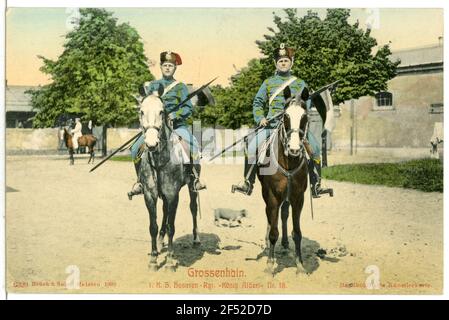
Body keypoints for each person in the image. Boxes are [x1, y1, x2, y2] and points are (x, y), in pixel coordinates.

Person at [231, 43, 329, 198]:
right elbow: (257, 102)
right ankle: (247, 183)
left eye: (286, 61)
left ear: (291, 62)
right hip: (271, 125)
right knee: (252, 148)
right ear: (275, 63)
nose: (283, 63)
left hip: (295, 127)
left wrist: (297, 109)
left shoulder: (300, 83)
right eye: (280, 61)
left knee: (315, 148)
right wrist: (260, 118)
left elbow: (306, 104)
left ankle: (316, 185)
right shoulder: (268, 83)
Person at [127, 50, 206, 200]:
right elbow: (148, 103)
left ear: (175, 68)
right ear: (161, 67)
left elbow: (188, 108)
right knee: (135, 148)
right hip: (155, 127)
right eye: (165, 65)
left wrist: (175, 115)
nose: (168, 68)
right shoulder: (153, 85)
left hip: (177, 127)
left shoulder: (180, 87)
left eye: (170, 65)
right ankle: (140, 181)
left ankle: (195, 179)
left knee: (192, 146)